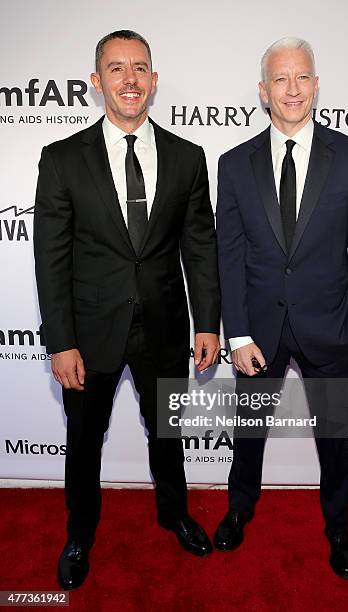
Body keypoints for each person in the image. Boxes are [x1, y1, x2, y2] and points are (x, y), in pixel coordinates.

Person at [34, 30, 220, 590]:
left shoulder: (188, 158)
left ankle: (174, 515)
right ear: (97, 82)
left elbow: (200, 245)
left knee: (167, 431)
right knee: (84, 440)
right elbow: (51, 259)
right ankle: (79, 535)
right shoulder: (62, 160)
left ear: (154, 80)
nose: (130, 79)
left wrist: (208, 321)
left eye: (140, 67)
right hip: (90, 332)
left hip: (164, 325)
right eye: (116, 68)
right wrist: (60, 340)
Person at [214, 37, 348, 578]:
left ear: (316, 85)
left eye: (303, 77)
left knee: (334, 438)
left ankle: (338, 526)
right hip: (258, 332)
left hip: (330, 329)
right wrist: (236, 334)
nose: (293, 89)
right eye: (281, 80)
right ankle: (239, 507)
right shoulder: (234, 163)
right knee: (248, 430)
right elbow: (229, 254)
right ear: (264, 92)